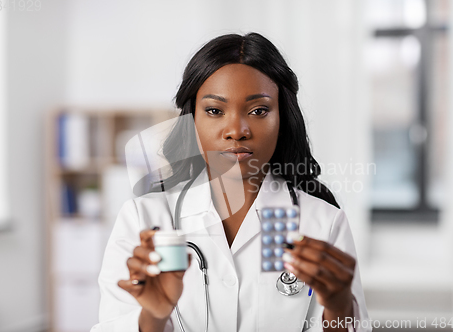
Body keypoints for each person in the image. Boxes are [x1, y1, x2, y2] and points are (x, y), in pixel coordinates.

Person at [91, 32, 371, 332]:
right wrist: (153, 318)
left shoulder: (323, 222)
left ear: (283, 118)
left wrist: (341, 305)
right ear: (191, 120)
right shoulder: (143, 219)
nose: (236, 130)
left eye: (259, 110)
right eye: (214, 110)